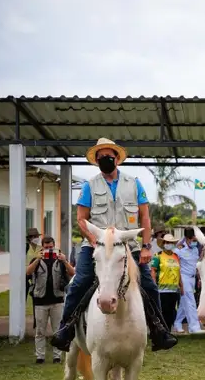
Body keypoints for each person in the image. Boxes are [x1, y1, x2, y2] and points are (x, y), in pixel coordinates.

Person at [50, 137, 177, 353]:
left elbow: (145, 217)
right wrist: (93, 241)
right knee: (79, 282)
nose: (104, 160)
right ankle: (66, 329)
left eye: (108, 157)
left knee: (149, 285)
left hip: (129, 246)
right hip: (96, 245)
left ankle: (159, 330)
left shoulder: (134, 183)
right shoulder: (90, 186)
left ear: (117, 158)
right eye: (100, 158)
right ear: (96, 161)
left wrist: (147, 246)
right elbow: (81, 218)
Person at [26, 235, 75, 364]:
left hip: (57, 300)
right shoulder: (36, 259)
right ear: (42, 247)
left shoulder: (60, 259)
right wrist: (37, 259)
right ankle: (40, 356)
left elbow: (73, 273)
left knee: (57, 330)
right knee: (40, 331)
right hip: (40, 301)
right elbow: (28, 272)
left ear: (54, 246)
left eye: (51, 247)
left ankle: (57, 356)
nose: (49, 250)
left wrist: (64, 261)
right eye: (46, 248)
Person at [173, 228, 205, 335]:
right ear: (187, 238)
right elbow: (176, 266)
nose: (195, 242)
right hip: (183, 278)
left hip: (192, 278)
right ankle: (194, 327)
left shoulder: (195, 249)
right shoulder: (179, 250)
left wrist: (199, 278)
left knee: (184, 303)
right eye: (193, 240)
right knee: (191, 302)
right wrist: (179, 283)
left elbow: (196, 265)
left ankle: (177, 323)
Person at [151, 233, 183, 331]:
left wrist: (181, 286)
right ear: (164, 243)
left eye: (171, 242)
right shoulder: (158, 256)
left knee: (172, 312)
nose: (169, 244)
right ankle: (163, 331)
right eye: (167, 242)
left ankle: (168, 330)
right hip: (162, 290)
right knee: (163, 312)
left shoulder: (176, 256)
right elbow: (153, 271)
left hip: (174, 290)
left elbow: (178, 271)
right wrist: (154, 285)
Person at [25, 228, 42, 300]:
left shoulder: (41, 248)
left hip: (37, 272)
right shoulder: (25, 247)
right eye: (34, 237)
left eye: (37, 236)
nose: (36, 238)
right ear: (29, 238)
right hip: (26, 273)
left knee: (36, 294)